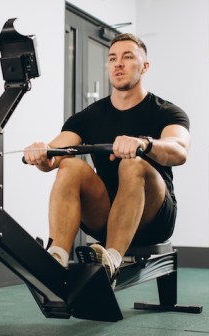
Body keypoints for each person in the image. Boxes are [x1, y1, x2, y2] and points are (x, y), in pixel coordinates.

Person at [23, 33, 190, 285]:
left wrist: (144, 144)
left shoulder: (166, 111)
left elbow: (178, 150)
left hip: (153, 218)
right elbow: (55, 155)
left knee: (133, 163)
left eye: (127, 57)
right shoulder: (88, 116)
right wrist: (42, 153)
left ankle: (111, 262)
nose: (118, 63)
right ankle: (56, 259)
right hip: (104, 215)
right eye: (112, 58)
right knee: (70, 164)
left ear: (144, 66)